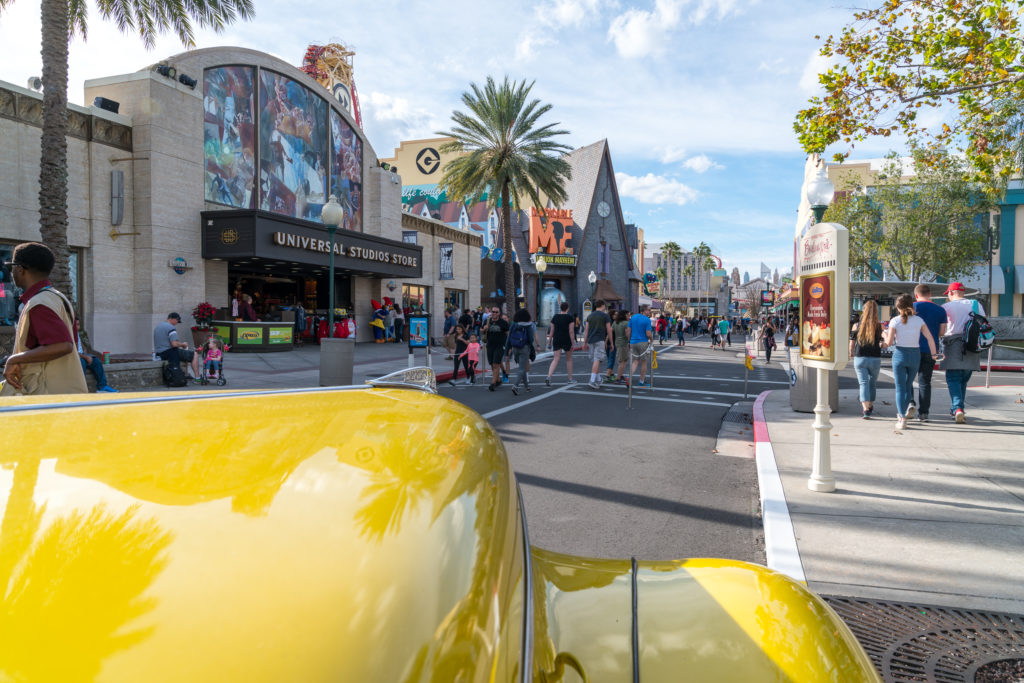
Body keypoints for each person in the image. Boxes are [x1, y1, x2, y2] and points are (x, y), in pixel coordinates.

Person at [1, 243, 87, 395]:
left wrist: (13, 359)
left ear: (20, 270)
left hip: (47, 394)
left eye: (12, 267)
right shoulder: (56, 297)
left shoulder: (39, 303)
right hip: (64, 389)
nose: (12, 272)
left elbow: (62, 345)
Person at [883, 293, 939, 430]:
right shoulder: (919, 320)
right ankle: (904, 414)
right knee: (908, 386)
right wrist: (934, 354)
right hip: (915, 355)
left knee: (900, 388)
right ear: (911, 304)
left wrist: (884, 335)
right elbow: (930, 338)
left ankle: (902, 417)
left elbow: (889, 342)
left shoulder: (895, 321)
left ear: (897, 306)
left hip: (900, 354)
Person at [941, 281, 984, 423]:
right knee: (963, 380)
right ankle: (958, 409)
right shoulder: (976, 305)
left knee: (953, 378)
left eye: (948, 294)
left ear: (952, 293)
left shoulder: (946, 307)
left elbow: (942, 327)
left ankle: (957, 408)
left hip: (953, 344)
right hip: (973, 345)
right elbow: (983, 323)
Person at [908, 283, 947, 422]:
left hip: (912, 348)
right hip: (931, 349)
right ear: (930, 294)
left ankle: (910, 403)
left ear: (916, 295)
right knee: (925, 382)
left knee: (908, 379)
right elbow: (942, 332)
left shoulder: (911, 307)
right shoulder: (940, 310)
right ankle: (924, 413)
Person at [849, 300, 884, 418]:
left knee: (863, 383)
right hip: (875, 358)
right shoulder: (880, 326)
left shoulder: (856, 325)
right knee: (872, 383)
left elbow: (852, 342)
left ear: (864, 310)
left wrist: (851, 352)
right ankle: (870, 405)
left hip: (860, 357)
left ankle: (866, 409)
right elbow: (883, 341)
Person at [154, 312, 201, 379]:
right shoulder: (171, 328)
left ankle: (186, 374)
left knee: (185, 354)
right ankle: (197, 378)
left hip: (159, 353)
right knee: (194, 354)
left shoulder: (158, 326)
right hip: (169, 352)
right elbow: (174, 344)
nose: (176, 323)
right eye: (177, 321)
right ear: (173, 319)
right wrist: (183, 344)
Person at [75, 318, 117, 392]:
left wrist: (85, 351)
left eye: (78, 325)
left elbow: (82, 347)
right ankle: (81, 389)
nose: (77, 327)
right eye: (75, 325)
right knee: (82, 363)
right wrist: (86, 357)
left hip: (82, 355)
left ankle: (102, 387)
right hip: (75, 358)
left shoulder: (78, 334)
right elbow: (73, 352)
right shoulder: (69, 334)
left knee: (96, 361)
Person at [582, 299, 612, 390]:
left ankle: (598, 379)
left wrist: (584, 342)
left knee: (595, 360)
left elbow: (586, 330)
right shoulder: (605, 316)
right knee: (597, 360)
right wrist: (611, 342)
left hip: (591, 340)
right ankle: (592, 380)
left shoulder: (590, 316)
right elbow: (609, 330)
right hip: (600, 339)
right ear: (602, 305)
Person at [505, 309, 536, 395]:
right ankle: (515, 386)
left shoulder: (513, 325)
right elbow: (531, 339)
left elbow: (508, 339)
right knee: (522, 369)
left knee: (522, 367)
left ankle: (527, 387)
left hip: (515, 347)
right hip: (524, 348)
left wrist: (507, 351)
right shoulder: (529, 326)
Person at [545, 302, 576, 386]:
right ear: (567, 308)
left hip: (557, 339)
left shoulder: (555, 317)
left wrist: (549, 342)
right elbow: (571, 331)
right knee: (569, 359)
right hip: (567, 339)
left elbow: (551, 331)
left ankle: (549, 376)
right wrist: (573, 343)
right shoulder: (570, 318)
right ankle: (570, 378)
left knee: (555, 359)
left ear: (560, 308)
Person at [484, 306, 510, 391]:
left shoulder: (503, 323)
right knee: (492, 364)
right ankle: (498, 380)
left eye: (496, 312)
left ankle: (493, 383)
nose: (494, 313)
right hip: (490, 345)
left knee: (496, 364)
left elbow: (508, 334)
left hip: (500, 346)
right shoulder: (487, 321)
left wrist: (509, 346)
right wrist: (483, 329)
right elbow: (481, 331)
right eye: (493, 311)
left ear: (499, 313)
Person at [627, 304, 654, 386]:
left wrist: (629, 341)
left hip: (633, 342)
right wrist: (652, 340)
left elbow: (628, 331)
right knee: (644, 362)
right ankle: (641, 381)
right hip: (643, 342)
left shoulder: (633, 317)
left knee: (635, 361)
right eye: (649, 310)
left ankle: (629, 377)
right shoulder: (647, 320)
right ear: (644, 310)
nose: (650, 312)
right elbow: (648, 333)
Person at [612, 309, 631, 382]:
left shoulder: (615, 322)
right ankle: (618, 378)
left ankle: (620, 375)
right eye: (628, 315)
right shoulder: (626, 323)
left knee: (622, 360)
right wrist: (629, 341)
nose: (629, 316)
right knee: (623, 361)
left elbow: (611, 330)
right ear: (624, 315)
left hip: (617, 342)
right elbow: (627, 334)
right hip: (624, 343)